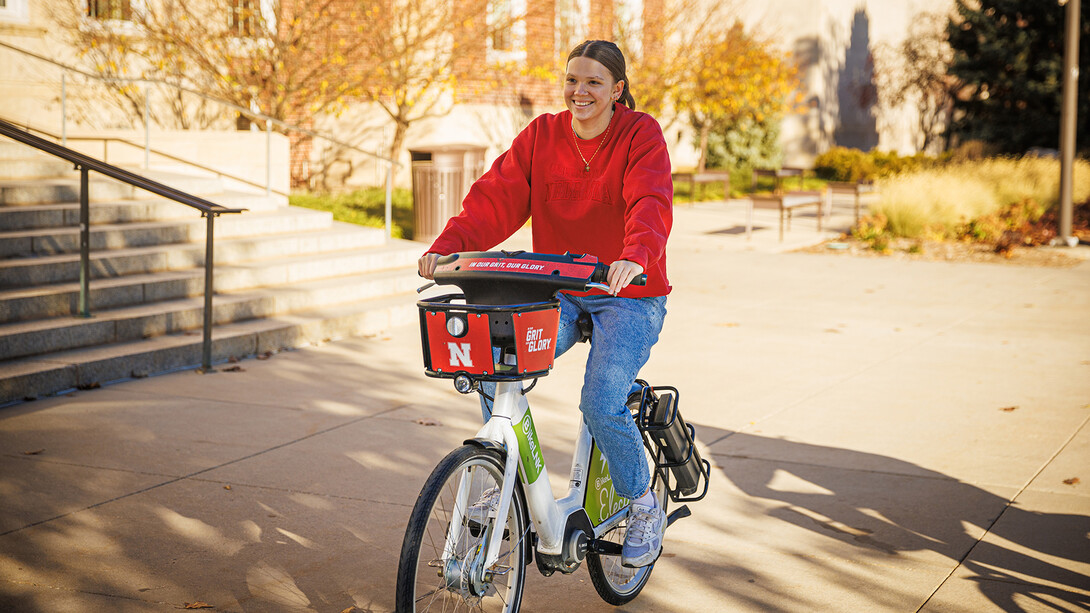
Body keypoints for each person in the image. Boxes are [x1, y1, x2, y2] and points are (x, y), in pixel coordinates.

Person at [418, 40, 672, 568]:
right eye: (573, 80)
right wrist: (449, 245)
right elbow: (496, 197)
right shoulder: (543, 135)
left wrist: (636, 256)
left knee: (601, 400)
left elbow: (650, 201)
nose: (580, 91)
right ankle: (502, 475)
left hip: (627, 291)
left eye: (594, 82)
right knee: (496, 366)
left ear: (617, 90)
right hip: (558, 288)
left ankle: (643, 503)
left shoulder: (639, 134)